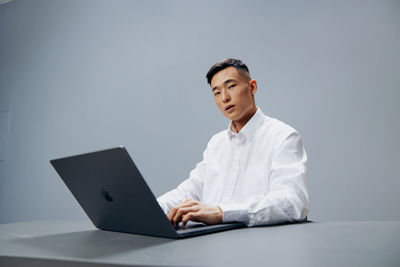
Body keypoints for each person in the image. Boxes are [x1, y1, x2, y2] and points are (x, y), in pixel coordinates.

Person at [157, 58, 309, 228]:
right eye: (217, 92)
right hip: (210, 245)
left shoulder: (283, 136)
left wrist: (221, 212)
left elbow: (292, 202)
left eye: (231, 86)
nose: (225, 98)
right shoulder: (217, 143)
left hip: (260, 245)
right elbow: (190, 192)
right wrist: (150, 210)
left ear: (252, 87)